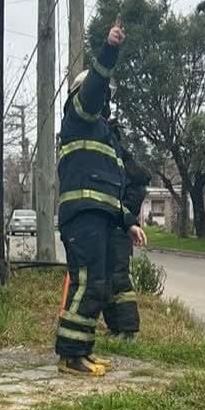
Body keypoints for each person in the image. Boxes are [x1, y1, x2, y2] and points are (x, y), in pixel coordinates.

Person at [54, 20, 139, 377]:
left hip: (99, 216)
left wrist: (128, 222)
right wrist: (109, 50)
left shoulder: (105, 136)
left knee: (98, 286)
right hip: (82, 216)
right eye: (101, 94)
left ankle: (83, 351)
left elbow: (111, 188)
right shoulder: (78, 117)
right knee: (87, 282)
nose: (105, 100)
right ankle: (70, 356)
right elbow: (94, 87)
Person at [102, 121, 149, 340]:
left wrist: (125, 214)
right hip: (111, 225)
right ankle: (115, 327)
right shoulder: (111, 158)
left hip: (119, 228)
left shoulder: (121, 160)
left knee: (118, 278)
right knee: (106, 278)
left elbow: (138, 187)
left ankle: (128, 330)